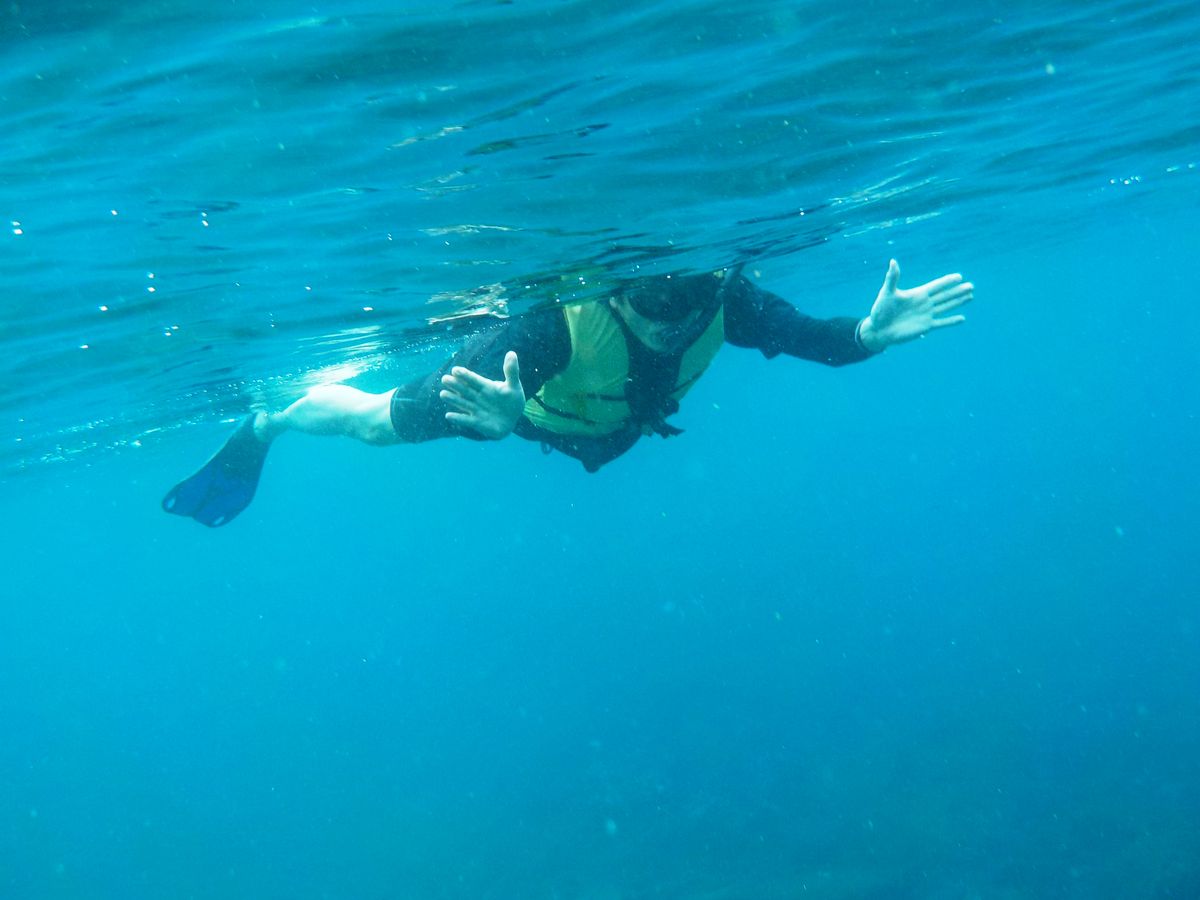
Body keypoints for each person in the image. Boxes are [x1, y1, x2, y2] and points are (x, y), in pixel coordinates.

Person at [162, 259, 973, 526]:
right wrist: (495, 419)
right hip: (511, 403)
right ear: (621, 293)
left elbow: (815, 341)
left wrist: (869, 335)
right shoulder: (550, 327)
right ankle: (270, 421)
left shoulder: (726, 301)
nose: (671, 332)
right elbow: (482, 393)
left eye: (689, 315)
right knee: (375, 424)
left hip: (589, 425)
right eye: (654, 312)